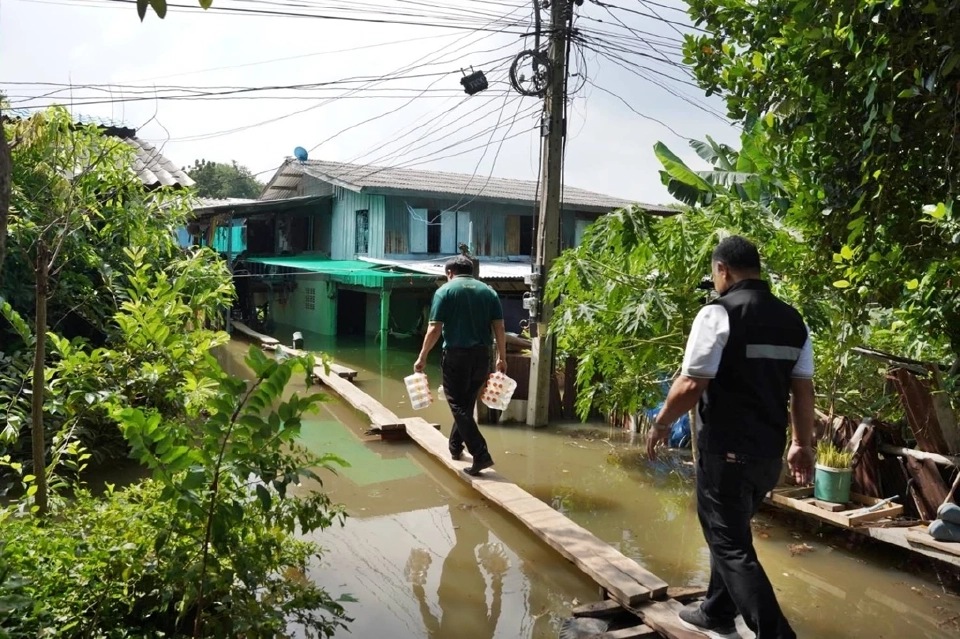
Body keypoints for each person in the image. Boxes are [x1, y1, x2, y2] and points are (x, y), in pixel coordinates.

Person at [646, 235, 815, 639]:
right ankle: (717, 612)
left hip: (727, 452)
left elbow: (691, 384)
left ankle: (776, 635)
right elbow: (804, 389)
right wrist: (801, 444)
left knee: (730, 545)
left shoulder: (717, 314)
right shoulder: (794, 320)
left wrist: (662, 423)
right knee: (732, 533)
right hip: (766, 457)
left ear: (723, 270)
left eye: (714, 273)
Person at [414, 255, 507, 476]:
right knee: (465, 404)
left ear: (449, 273)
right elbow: (500, 327)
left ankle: (481, 454)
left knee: (456, 404)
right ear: (472, 271)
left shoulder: (445, 291)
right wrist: (502, 357)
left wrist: (422, 356)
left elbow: (435, 329)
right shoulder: (488, 291)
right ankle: (455, 447)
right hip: (482, 356)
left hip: (456, 355)